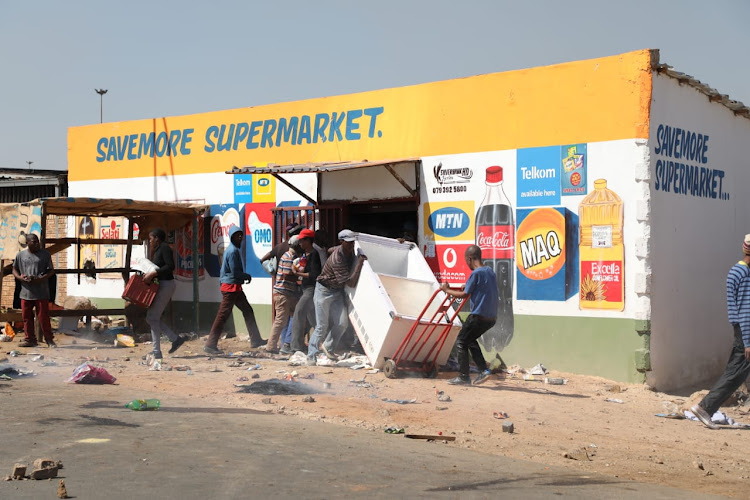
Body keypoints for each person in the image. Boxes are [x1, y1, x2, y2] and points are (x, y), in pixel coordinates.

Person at [691, 235, 750, 429]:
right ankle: (705, 407)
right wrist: (748, 341)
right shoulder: (743, 274)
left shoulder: (738, 271)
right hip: (745, 331)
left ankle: (706, 408)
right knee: (736, 373)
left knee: (737, 372)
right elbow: (745, 310)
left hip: (741, 329)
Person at [306, 229, 367, 365]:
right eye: (348, 243)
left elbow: (329, 250)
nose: (351, 246)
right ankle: (311, 355)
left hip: (337, 291)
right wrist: (360, 264)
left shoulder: (343, 250)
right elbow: (350, 283)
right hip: (324, 291)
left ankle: (328, 347)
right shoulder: (337, 259)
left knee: (341, 323)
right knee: (322, 326)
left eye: (352, 243)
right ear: (342, 242)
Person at [440, 245, 498, 385]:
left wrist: (447, 290)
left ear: (470, 258)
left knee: (461, 340)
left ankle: (464, 376)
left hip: (479, 316)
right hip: (491, 318)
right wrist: (466, 286)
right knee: (470, 339)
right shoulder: (489, 271)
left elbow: (465, 294)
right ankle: (484, 371)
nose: (467, 263)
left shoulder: (476, 273)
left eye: (467, 260)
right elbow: (477, 287)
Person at [204, 225, 265, 355]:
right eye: (237, 235)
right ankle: (210, 344)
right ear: (232, 237)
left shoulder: (232, 250)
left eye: (241, 235)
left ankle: (256, 340)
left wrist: (243, 277)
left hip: (234, 287)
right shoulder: (232, 251)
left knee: (247, 310)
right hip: (230, 288)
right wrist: (246, 276)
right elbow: (235, 272)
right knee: (222, 316)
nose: (240, 238)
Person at [142, 228, 185, 359]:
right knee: (152, 318)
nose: (150, 241)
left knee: (152, 317)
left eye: (151, 238)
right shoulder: (158, 250)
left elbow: (170, 266)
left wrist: (154, 273)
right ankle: (174, 339)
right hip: (162, 285)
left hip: (166, 285)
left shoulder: (164, 248)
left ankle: (157, 351)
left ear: (157, 238)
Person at [12, 234, 55, 348]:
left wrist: (42, 278)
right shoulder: (20, 255)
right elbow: (14, 269)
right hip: (26, 292)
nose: (37, 244)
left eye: (37, 242)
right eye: (34, 242)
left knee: (43, 317)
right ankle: (30, 339)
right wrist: (21, 278)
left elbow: (51, 271)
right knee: (27, 317)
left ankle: (49, 339)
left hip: (41, 292)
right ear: (27, 243)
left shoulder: (45, 255)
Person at [265, 235, 302, 353]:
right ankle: (271, 346)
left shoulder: (290, 256)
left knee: (292, 316)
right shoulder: (289, 257)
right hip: (283, 293)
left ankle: (286, 344)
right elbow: (287, 274)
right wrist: (299, 275)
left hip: (286, 293)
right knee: (280, 320)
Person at [290, 229, 322, 352]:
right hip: (305, 289)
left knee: (298, 313)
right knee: (314, 320)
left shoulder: (314, 255)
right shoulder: (305, 255)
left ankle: (296, 347)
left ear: (309, 241)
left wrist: (298, 273)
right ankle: (324, 344)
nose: (300, 243)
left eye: (302, 241)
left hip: (311, 289)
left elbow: (314, 275)